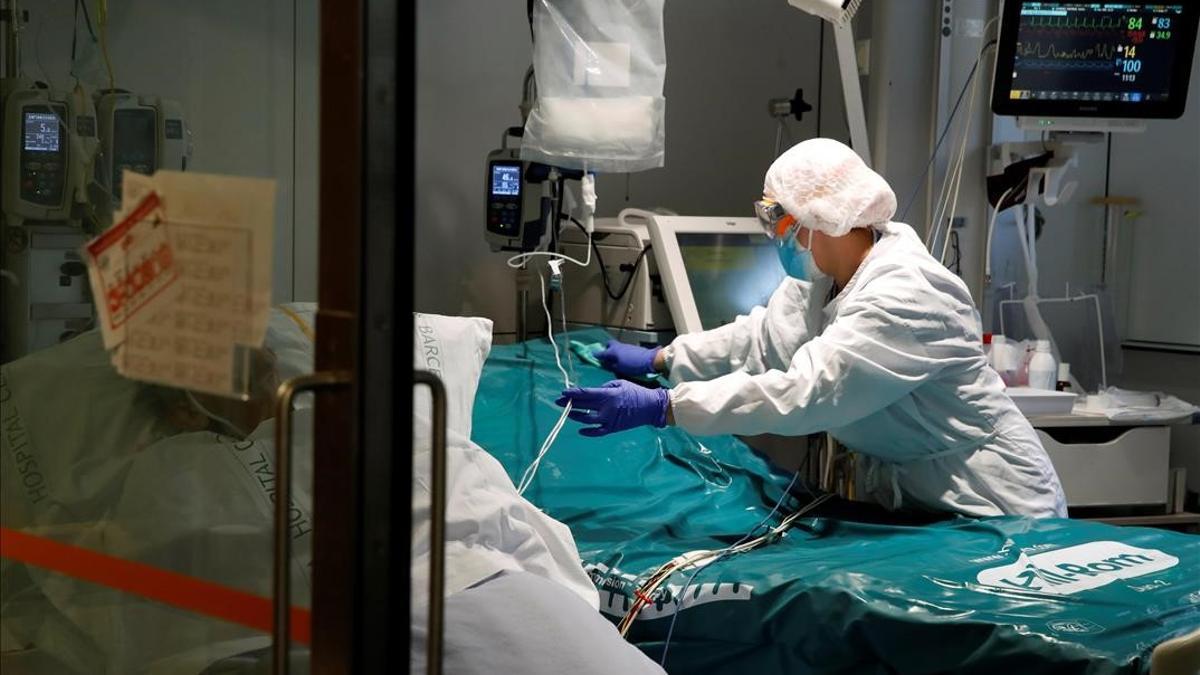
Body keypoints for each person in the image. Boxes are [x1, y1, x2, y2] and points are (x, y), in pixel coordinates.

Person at [556, 138, 1067, 519]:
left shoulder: (906, 295)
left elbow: (806, 393)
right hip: (921, 497)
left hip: (995, 502)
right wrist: (663, 359)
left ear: (823, 218)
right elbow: (762, 340)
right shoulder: (824, 276)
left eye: (780, 221)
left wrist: (668, 406)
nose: (777, 237)